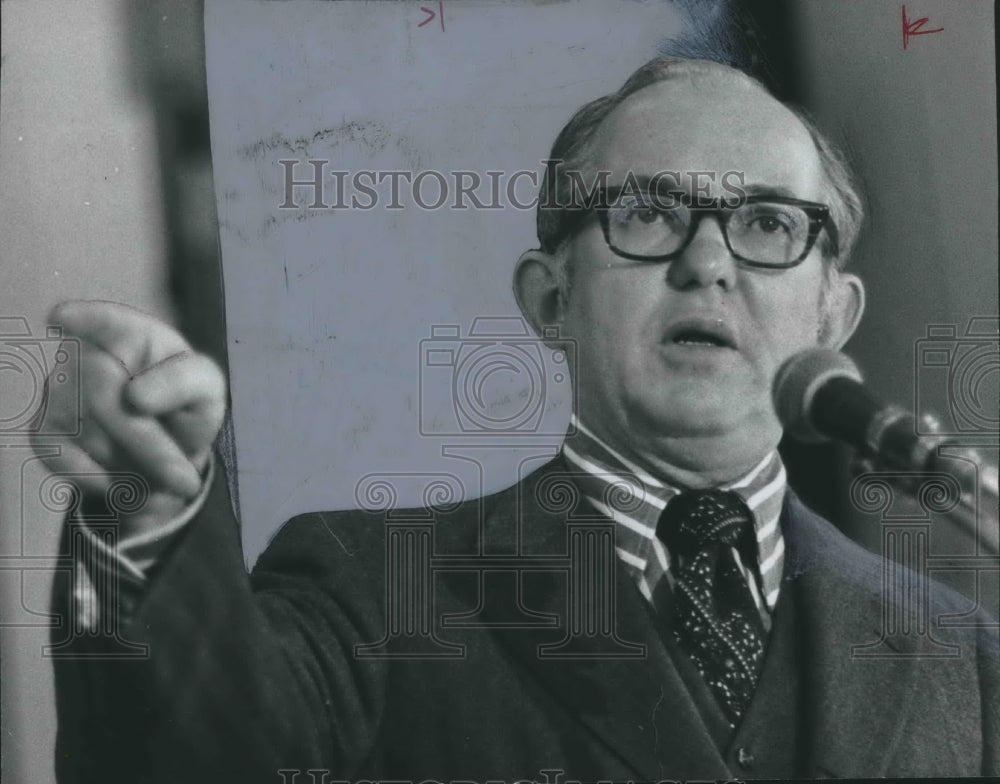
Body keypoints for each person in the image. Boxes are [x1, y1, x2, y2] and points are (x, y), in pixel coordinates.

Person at [36, 57, 997, 784]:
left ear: (834, 315)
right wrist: (145, 503)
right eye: (649, 212)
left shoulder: (965, 657)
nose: (709, 263)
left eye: (769, 225)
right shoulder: (375, 589)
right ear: (549, 300)